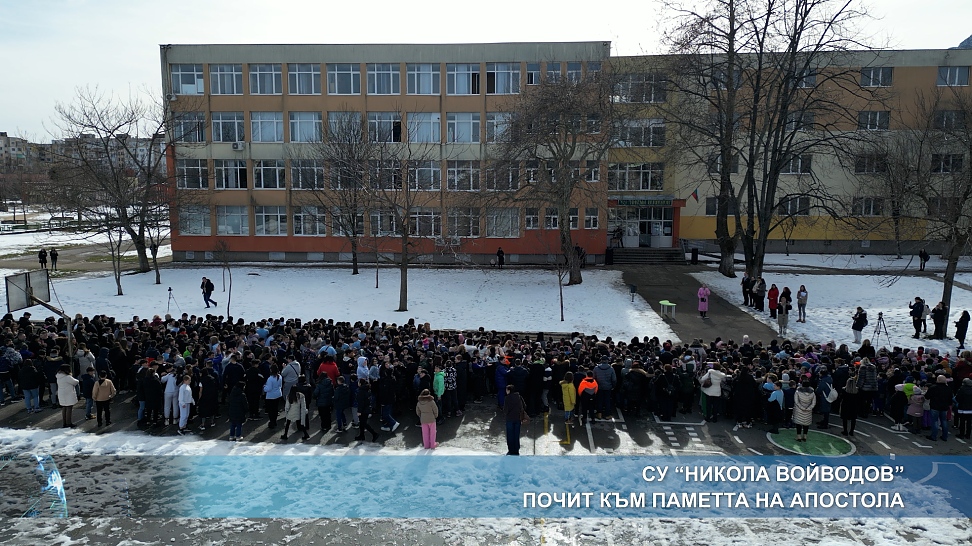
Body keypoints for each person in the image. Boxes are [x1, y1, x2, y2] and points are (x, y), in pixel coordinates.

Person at [925, 375, 952, 442]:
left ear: (938, 380)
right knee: (944, 421)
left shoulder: (933, 387)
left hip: (935, 406)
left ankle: (934, 436)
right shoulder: (948, 388)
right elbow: (950, 399)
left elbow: (927, 396)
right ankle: (945, 436)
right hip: (944, 407)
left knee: (935, 421)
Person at [503, 385, 526, 455]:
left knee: (510, 435)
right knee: (516, 435)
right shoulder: (519, 397)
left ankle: (511, 450)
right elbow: (524, 406)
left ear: (509, 390)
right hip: (518, 418)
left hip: (510, 419)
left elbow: (505, 410)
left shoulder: (507, 398)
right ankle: (516, 450)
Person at [263, 364, 283, 429]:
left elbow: (269, 388)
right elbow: (280, 386)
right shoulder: (279, 376)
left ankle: (272, 422)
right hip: (278, 394)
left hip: (271, 396)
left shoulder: (270, 379)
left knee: (271, 410)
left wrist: (264, 387)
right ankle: (274, 421)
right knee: (275, 409)